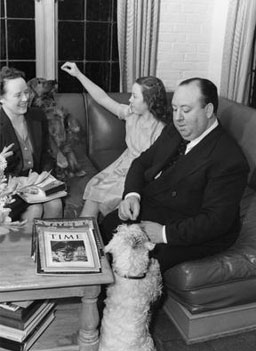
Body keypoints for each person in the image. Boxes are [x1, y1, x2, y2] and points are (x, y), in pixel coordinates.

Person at [100, 77, 249, 272]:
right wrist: (131, 196)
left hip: (193, 226)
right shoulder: (175, 128)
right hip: (162, 205)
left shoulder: (229, 159)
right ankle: (97, 299)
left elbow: (215, 221)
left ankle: (123, 301)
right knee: (107, 225)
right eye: (175, 108)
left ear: (209, 110)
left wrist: (163, 233)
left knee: (138, 260)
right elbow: (142, 162)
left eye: (186, 110)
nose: (177, 117)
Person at [61, 62, 170, 218]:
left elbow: (157, 168)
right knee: (94, 194)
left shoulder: (161, 130)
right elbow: (102, 98)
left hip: (139, 174)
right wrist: (78, 74)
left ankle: (89, 235)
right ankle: (82, 236)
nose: (130, 100)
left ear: (149, 101)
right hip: (121, 165)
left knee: (102, 199)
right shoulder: (130, 113)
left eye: (135, 96)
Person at [0, 66, 63, 224]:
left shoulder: (37, 115)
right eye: (18, 95)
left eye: (26, 92)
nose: (25, 99)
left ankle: (51, 246)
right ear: (2, 98)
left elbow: (46, 154)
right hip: (9, 189)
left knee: (56, 204)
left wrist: (46, 175)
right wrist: (21, 183)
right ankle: (28, 249)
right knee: (36, 210)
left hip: (37, 183)